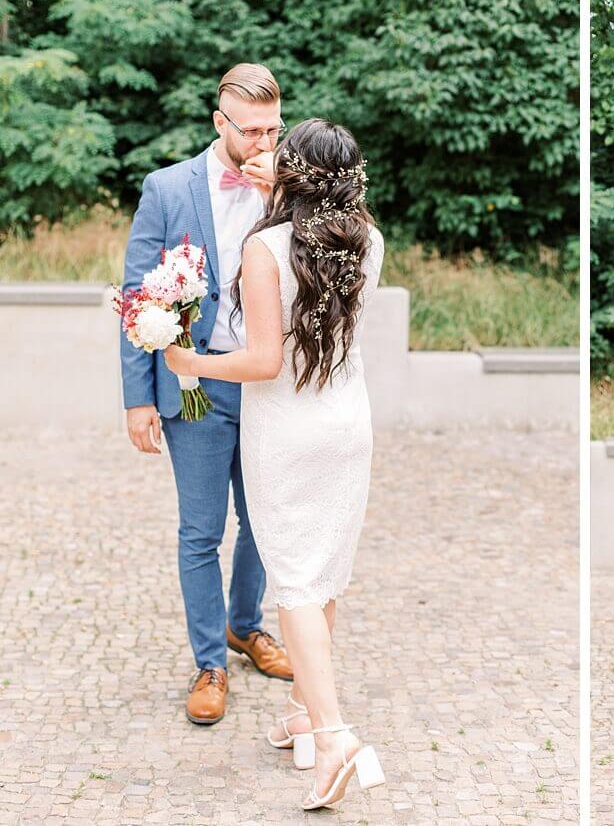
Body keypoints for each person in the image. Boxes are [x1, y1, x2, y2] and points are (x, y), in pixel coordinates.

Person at [164, 117, 387, 810]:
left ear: (290, 172)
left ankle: (335, 735)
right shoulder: (370, 239)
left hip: (288, 429)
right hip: (348, 422)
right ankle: (301, 715)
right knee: (322, 573)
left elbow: (262, 361)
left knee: (291, 582)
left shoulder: (267, 246)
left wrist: (188, 361)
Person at [119, 63, 293, 727]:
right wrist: (138, 397)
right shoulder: (166, 189)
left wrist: (284, 193)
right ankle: (210, 663)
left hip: (269, 384)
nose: (263, 140)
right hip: (194, 384)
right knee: (201, 530)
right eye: (251, 130)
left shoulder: (290, 183)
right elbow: (137, 297)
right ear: (220, 123)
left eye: (273, 128)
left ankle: (247, 628)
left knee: (264, 520)